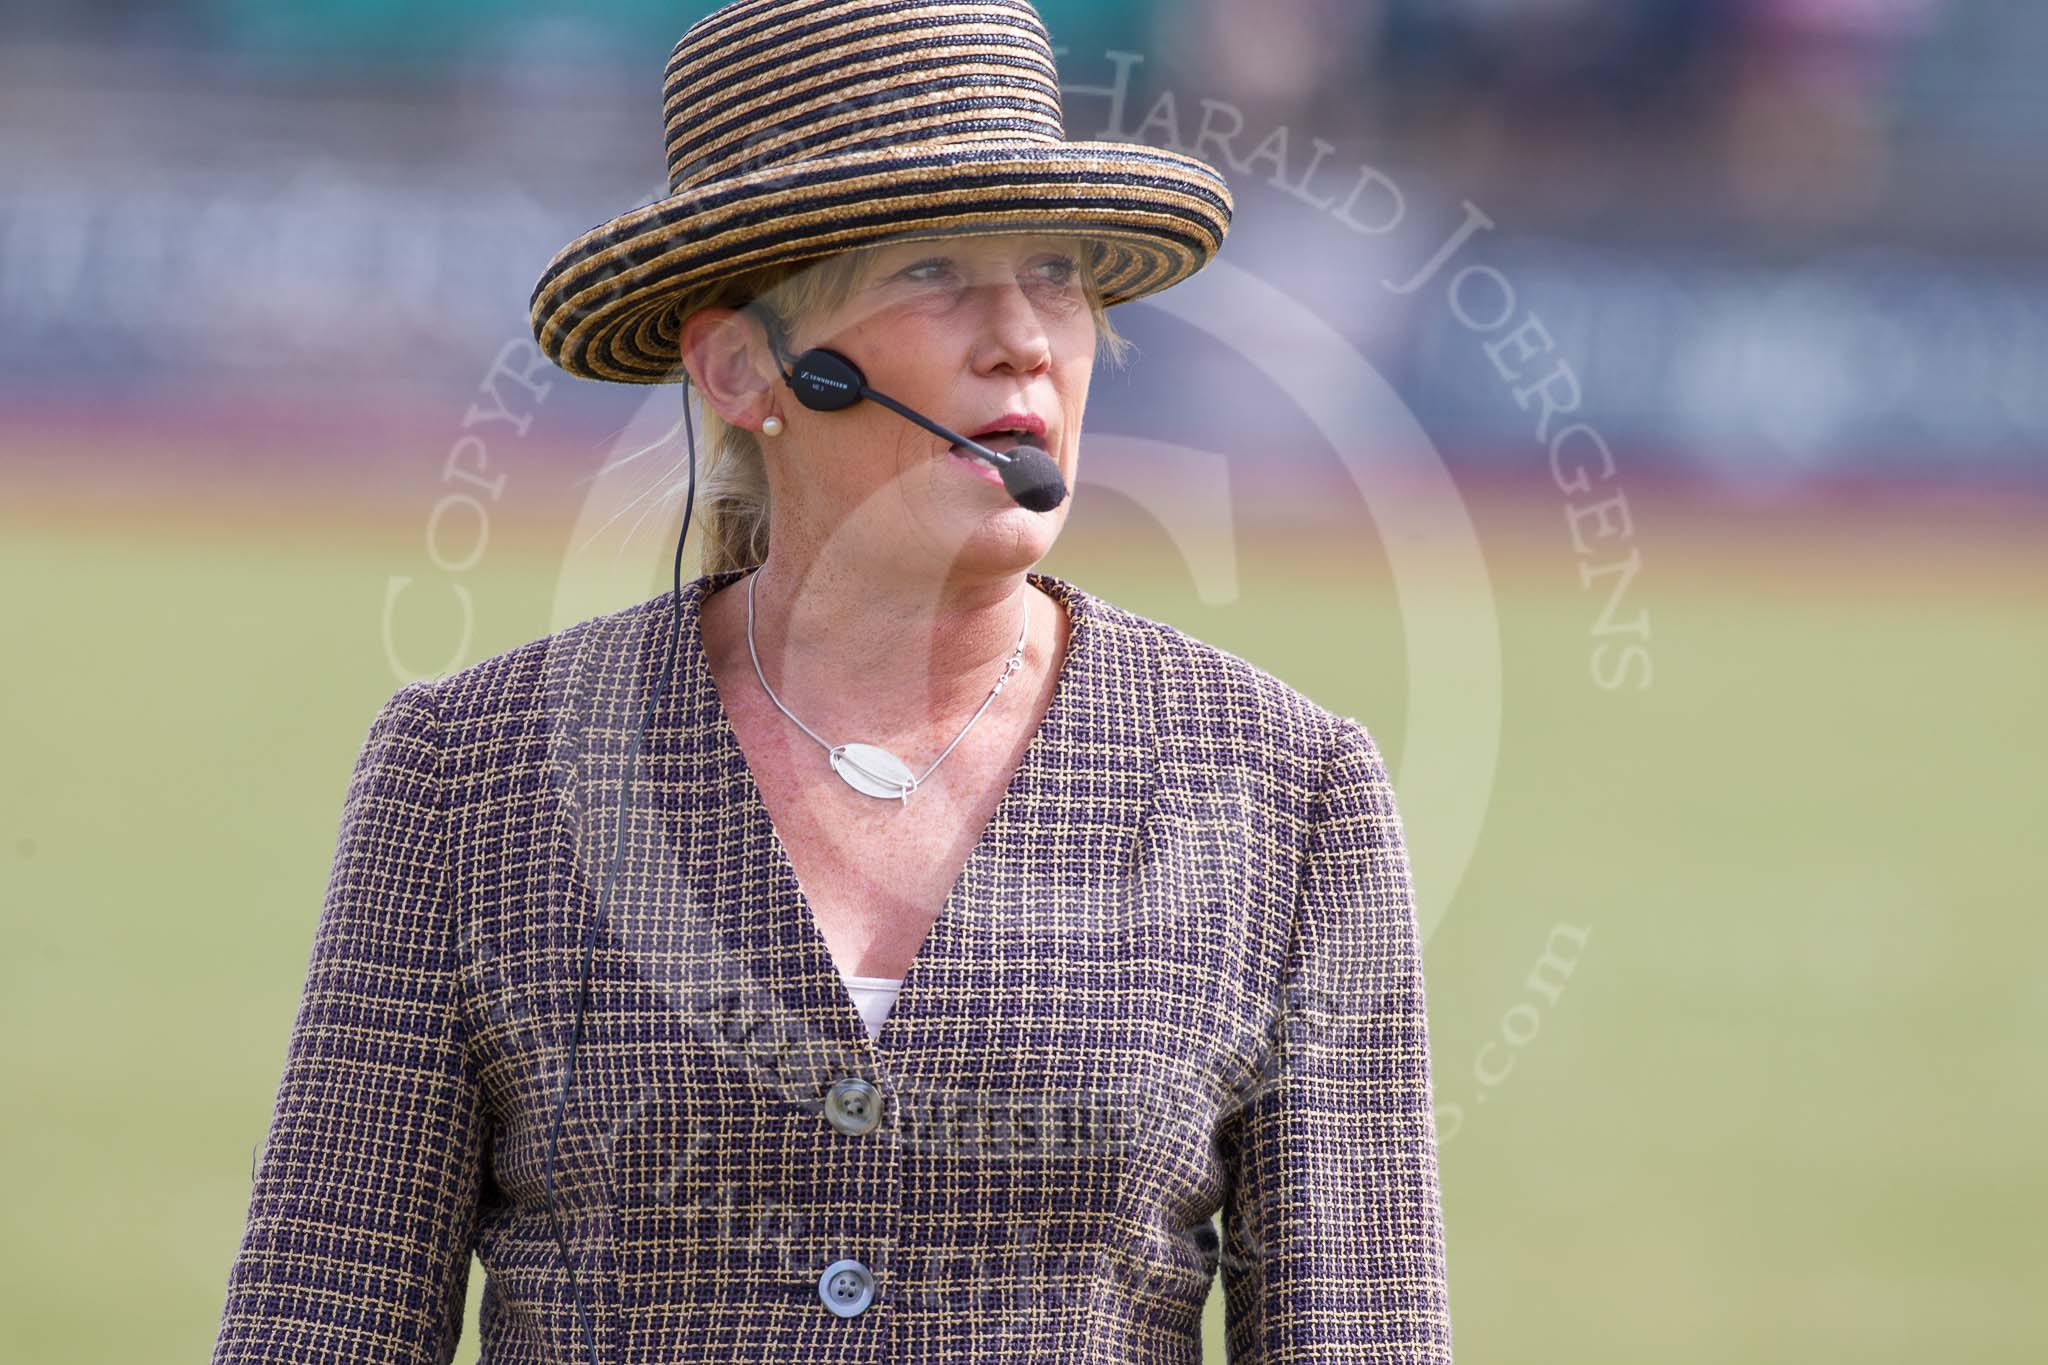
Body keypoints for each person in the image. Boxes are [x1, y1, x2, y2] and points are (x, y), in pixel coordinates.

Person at [208, 1, 1454, 1362]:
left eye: (1052, 271)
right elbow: (317, 1323)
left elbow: (1359, 1335)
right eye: (932, 269)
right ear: (748, 365)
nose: (1022, 336)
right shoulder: (470, 774)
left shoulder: (1288, 789)